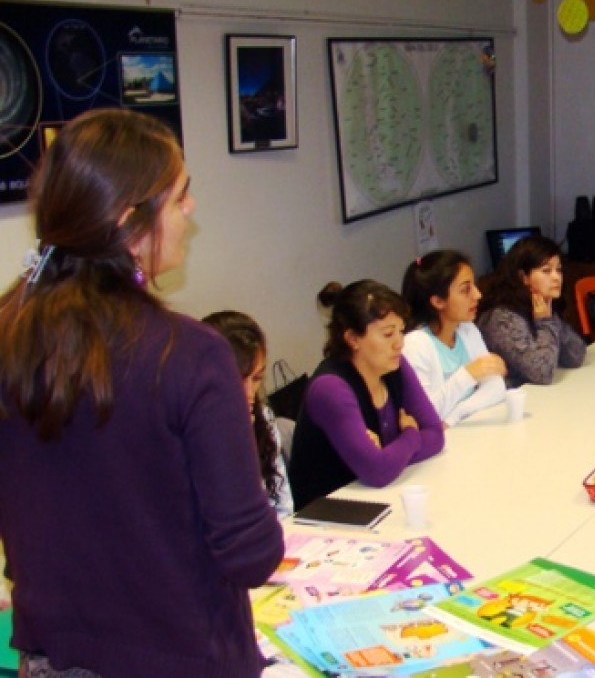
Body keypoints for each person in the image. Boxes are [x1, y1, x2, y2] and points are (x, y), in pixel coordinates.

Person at [0, 109, 284, 676]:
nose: (191, 210)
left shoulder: (9, 337)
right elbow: (250, 553)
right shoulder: (190, 355)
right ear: (132, 224)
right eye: (180, 198)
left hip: (54, 658)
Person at [288, 280, 444, 509]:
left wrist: (390, 455)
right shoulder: (330, 388)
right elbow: (378, 471)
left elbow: (435, 434)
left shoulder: (395, 365)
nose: (399, 343)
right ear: (352, 339)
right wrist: (410, 433)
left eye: (401, 331)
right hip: (330, 513)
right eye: (388, 334)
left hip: (378, 497)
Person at [202, 310, 294, 518]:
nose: (249, 393)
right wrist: (238, 442)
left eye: (257, 378)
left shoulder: (263, 418)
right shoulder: (191, 432)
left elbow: (282, 506)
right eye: (237, 379)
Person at [401, 250, 507, 426]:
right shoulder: (415, 345)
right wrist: (468, 374)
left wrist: (454, 416)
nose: (478, 295)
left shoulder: (467, 330)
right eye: (465, 290)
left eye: (474, 285)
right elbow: (424, 415)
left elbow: (496, 387)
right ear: (438, 301)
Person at [477, 236, 586, 387]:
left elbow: (576, 355)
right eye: (546, 271)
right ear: (524, 277)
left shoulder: (540, 306)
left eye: (558, 270)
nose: (556, 278)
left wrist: (551, 319)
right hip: (505, 400)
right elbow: (542, 373)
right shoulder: (502, 318)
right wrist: (545, 322)